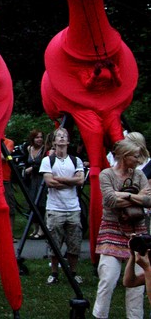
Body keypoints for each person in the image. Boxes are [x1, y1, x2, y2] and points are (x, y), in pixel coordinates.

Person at [93, 137, 151, 319]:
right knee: (108, 279)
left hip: (138, 230)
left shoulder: (139, 175)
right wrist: (135, 196)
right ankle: (100, 315)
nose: (139, 160)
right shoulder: (106, 175)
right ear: (125, 157)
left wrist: (123, 196)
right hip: (111, 229)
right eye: (135, 156)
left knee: (137, 285)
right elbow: (110, 200)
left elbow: (149, 200)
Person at [39, 127, 85, 284]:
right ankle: (54, 273)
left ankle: (73, 272)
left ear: (68, 141)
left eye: (64, 136)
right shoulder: (48, 160)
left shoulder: (76, 160)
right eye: (59, 136)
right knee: (54, 242)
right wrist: (70, 180)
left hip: (73, 208)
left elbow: (80, 180)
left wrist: (61, 180)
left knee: (74, 243)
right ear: (54, 141)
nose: (62, 138)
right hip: (55, 208)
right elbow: (50, 182)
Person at [23, 128, 47, 239]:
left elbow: (44, 165)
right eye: (37, 137)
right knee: (32, 204)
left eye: (41, 137)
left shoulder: (45, 150)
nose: (39, 139)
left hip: (41, 179)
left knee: (41, 204)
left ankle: (42, 230)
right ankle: (35, 228)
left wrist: (32, 168)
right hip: (32, 181)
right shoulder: (29, 149)